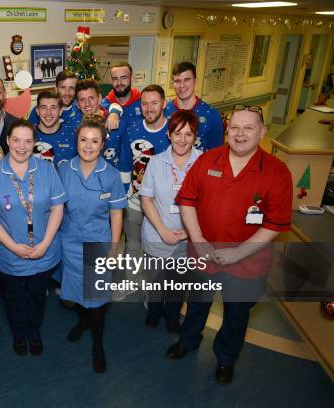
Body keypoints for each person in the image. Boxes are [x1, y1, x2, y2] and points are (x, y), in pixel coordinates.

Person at [166, 105, 292, 384]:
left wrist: (238, 253)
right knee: (197, 303)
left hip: (248, 262)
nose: (240, 134)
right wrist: (198, 242)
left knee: (236, 315)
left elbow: (274, 224)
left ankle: (226, 359)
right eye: (234, 127)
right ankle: (188, 341)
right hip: (203, 254)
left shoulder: (277, 172)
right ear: (227, 129)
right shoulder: (208, 160)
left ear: (262, 132)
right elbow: (187, 201)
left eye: (248, 128)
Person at [0, 120, 67, 356]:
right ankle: (19, 335)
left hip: (43, 252)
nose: (22, 146)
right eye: (16, 140)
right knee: (14, 300)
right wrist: (14, 247)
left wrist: (45, 243)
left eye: (28, 141)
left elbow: (58, 208)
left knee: (37, 298)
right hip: (9, 255)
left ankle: (34, 332)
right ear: (7, 141)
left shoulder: (46, 169)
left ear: (34, 143)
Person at [58, 116, 126, 373]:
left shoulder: (110, 175)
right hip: (69, 243)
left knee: (96, 301)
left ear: (102, 144)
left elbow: (117, 213)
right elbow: (56, 207)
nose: (88, 146)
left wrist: (114, 246)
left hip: (98, 243)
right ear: (76, 142)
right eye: (83, 140)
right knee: (76, 294)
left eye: (94, 141)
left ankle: (98, 345)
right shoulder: (65, 169)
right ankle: (82, 322)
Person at [139, 110, 202, 332]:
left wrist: (188, 232)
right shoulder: (155, 162)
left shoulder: (204, 163)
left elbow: (207, 204)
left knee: (179, 283)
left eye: (188, 134)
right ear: (168, 134)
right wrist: (163, 230)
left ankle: (173, 316)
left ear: (195, 137)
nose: (182, 139)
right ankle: (154, 312)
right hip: (157, 233)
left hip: (188, 238)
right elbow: (146, 200)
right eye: (177, 133)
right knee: (156, 281)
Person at [118, 85, 171, 300]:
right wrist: (123, 197)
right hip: (134, 200)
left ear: (164, 104)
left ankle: (154, 292)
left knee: (156, 250)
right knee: (132, 243)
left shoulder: (172, 132)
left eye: (154, 103)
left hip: (161, 205)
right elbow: (124, 166)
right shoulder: (132, 129)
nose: (149, 108)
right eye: (145, 103)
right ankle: (131, 281)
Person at [164, 61, 224, 152]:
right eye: (177, 81)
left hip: (201, 165)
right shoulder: (164, 112)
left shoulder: (212, 115)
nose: (182, 85)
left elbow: (216, 154)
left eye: (187, 80)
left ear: (195, 81)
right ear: (173, 83)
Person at [75, 79, 123, 167]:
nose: (87, 104)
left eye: (91, 98)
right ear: (77, 104)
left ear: (100, 98)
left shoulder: (115, 121)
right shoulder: (76, 126)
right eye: (82, 100)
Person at [32, 90, 77, 169]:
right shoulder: (28, 135)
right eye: (43, 107)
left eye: (53, 107)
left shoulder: (74, 135)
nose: (48, 113)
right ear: (37, 111)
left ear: (60, 111)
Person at [100, 62, 142, 131]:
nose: (119, 83)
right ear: (111, 80)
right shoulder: (103, 106)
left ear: (132, 79)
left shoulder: (142, 103)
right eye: (115, 79)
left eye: (124, 78)